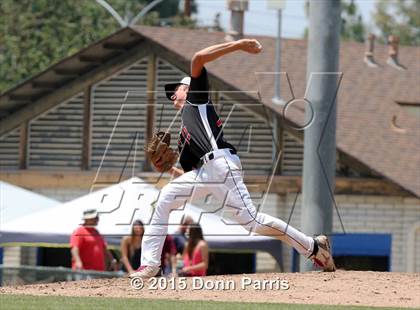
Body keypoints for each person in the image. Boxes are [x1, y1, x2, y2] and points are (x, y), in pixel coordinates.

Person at [130, 38, 336, 279]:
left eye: (175, 89)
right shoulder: (185, 132)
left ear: (188, 88)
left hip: (221, 164)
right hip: (207, 172)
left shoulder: (197, 101)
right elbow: (189, 177)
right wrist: (168, 170)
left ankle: (313, 247)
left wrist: (238, 44)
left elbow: (198, 58)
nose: (172, 94)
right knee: (165, 197)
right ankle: (152, 265)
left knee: (252, 222)